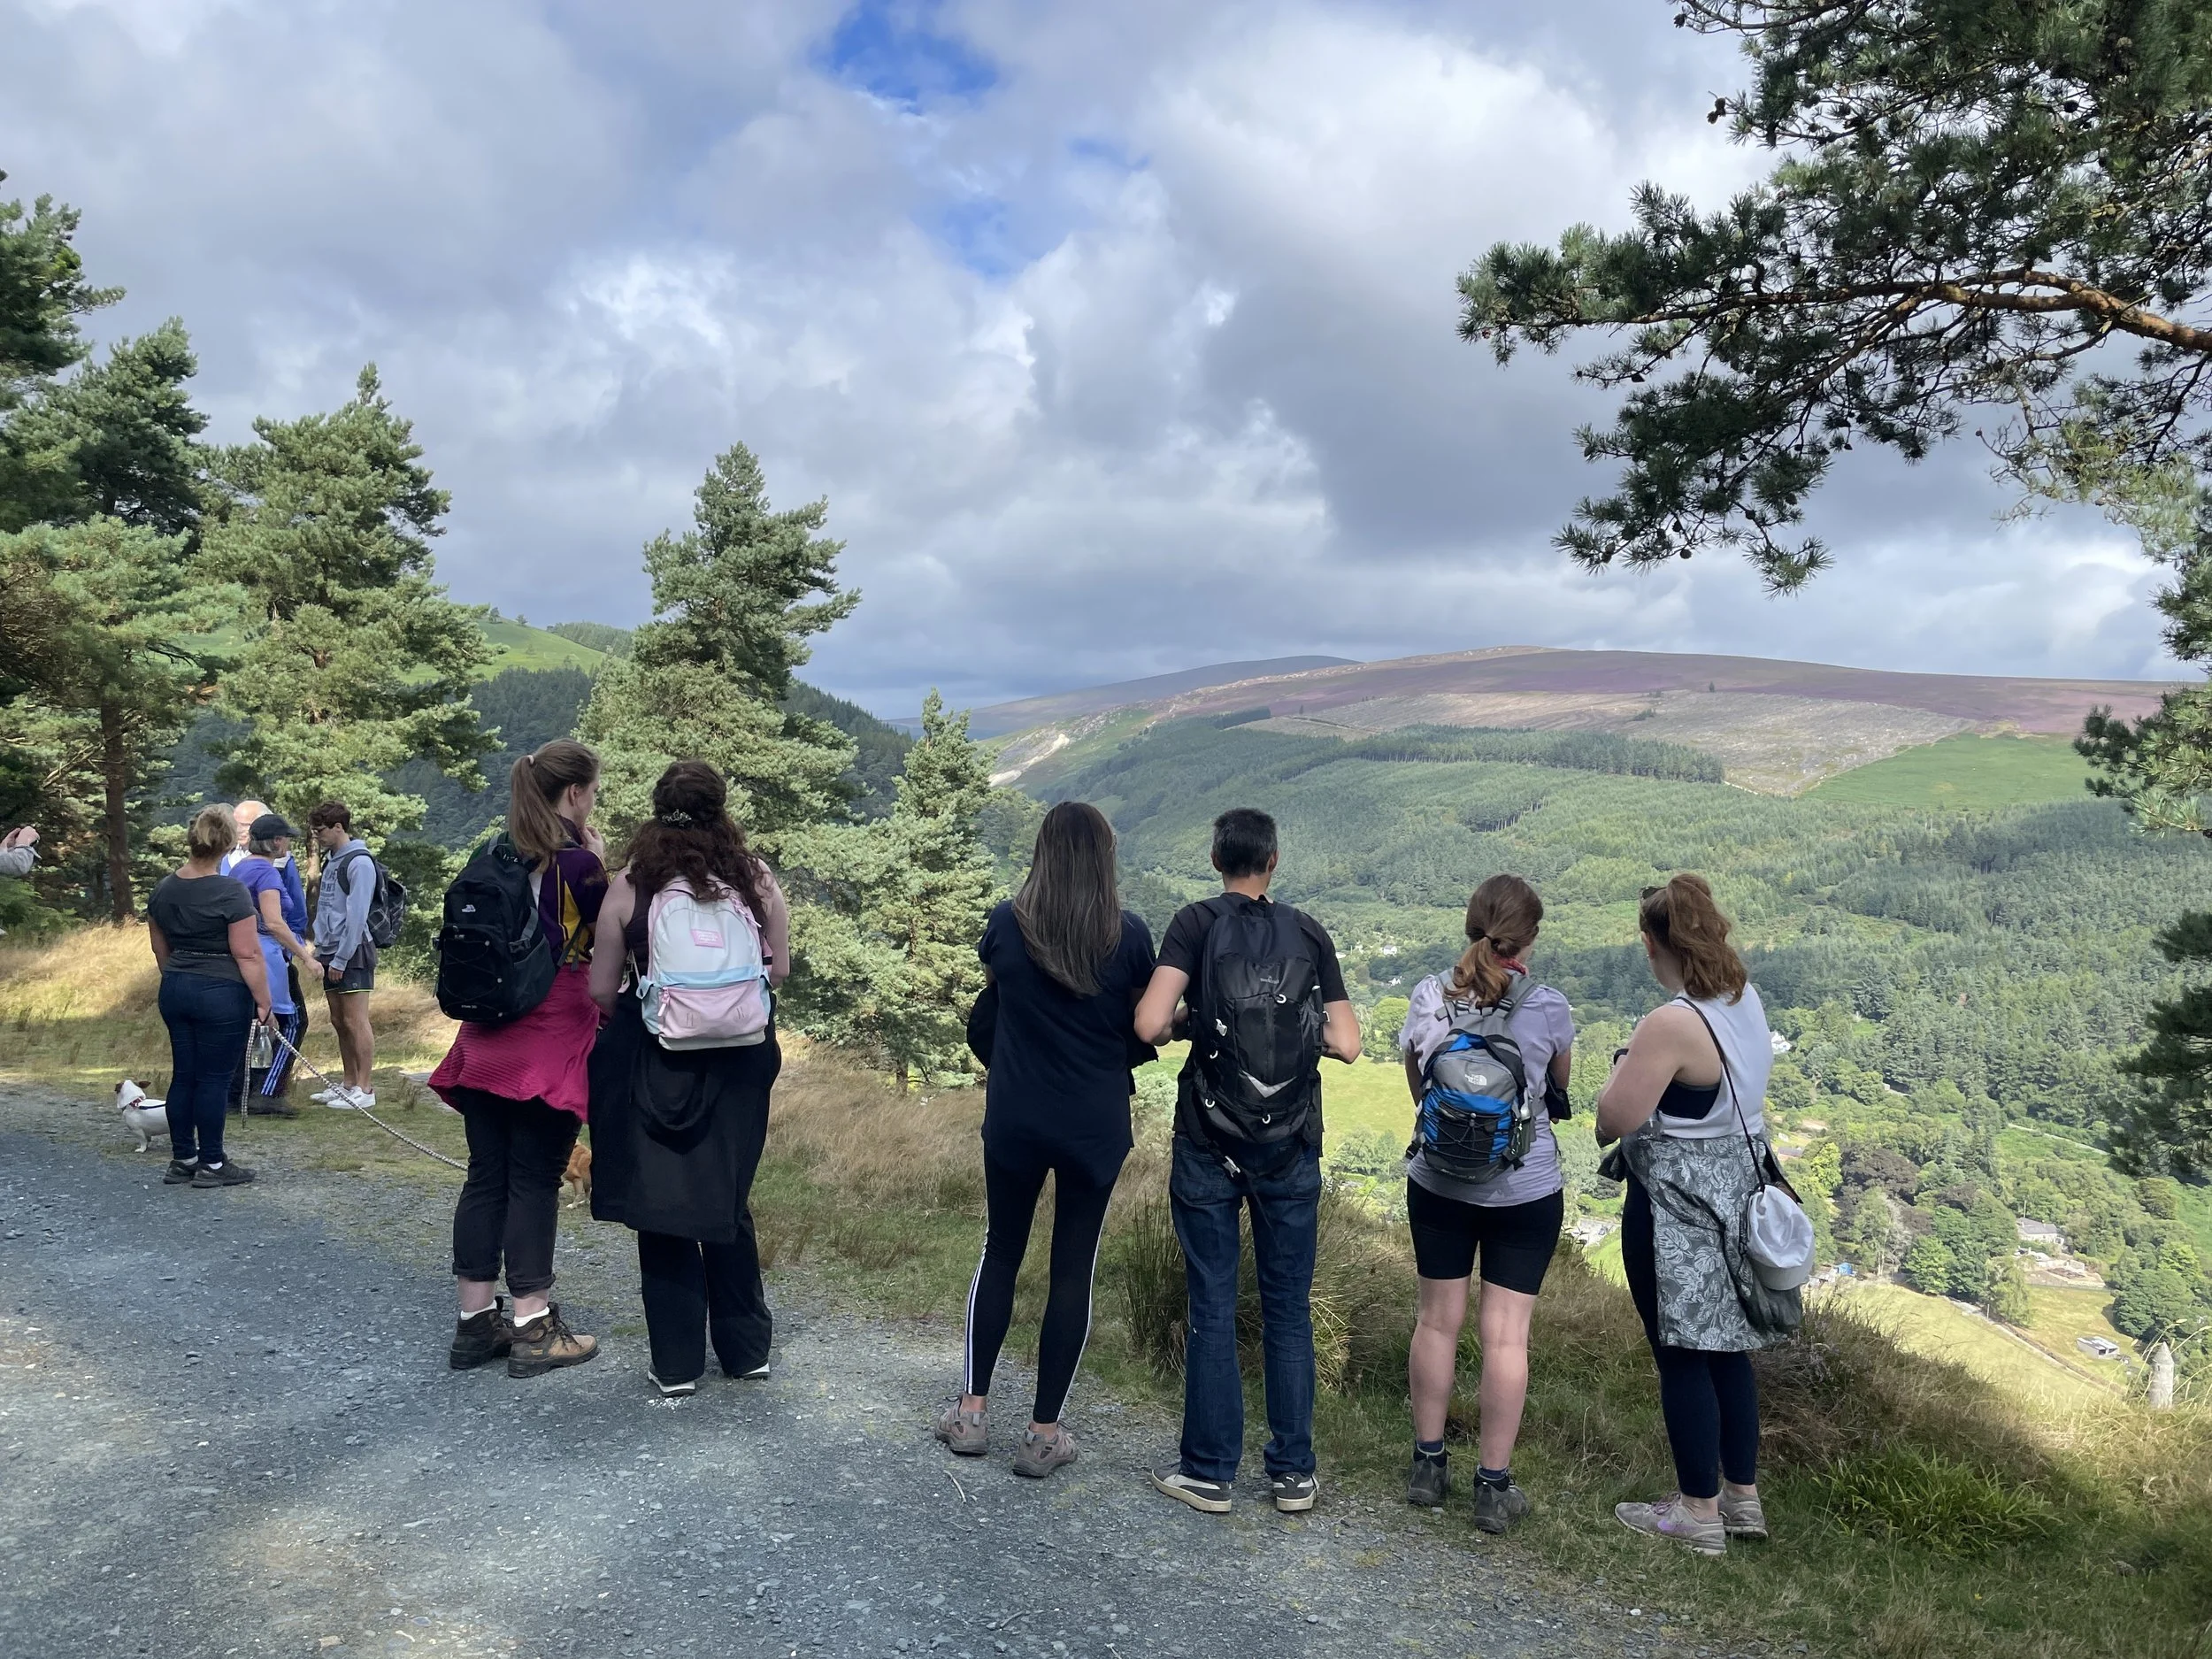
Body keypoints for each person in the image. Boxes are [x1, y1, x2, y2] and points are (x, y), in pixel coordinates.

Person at [1133, 807, 1360, 1514]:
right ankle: (1293, 1473)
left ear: (1215, 858)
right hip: (1291, 1141)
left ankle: (1208, 1470)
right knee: (1288, 1308)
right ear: (1274, 860)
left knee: (1213, 1303)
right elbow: (1348, 1042)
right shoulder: (1309, 932)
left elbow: (1148, 1023)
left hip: (1209, 1139)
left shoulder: (1194, 923)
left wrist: (1193, 1018)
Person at [933, 802, 1156, 1475]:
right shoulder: (1131, 935)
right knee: (1072, 1266)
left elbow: (995, 999)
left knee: (1001, 1250)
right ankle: (1043, 1433)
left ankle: (971, 1414)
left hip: (1016, 1117)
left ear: (1043, 853)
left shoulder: (1007, 923)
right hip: (1093, 1124)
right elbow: (1145, 1024)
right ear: (1105, 860)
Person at [588, 761, 792, 1397]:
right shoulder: (754, 878)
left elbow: (600, 988)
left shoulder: (632, 886)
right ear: (720, 809)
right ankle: (745, 1350)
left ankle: (676, 1362)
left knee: (663, 1204)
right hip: (739, 1061)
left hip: (658, 1062)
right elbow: (777, 969)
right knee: (727, 1199)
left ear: (657, 810)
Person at [1595, 873, 1778, 1556]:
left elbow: (1613, 1118)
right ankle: (1741, 1497)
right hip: (1737, 1194)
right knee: (1729, 1347)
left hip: (1675, 1206)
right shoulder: (1742, 998)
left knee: (1679, 1353)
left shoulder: (1670, 1022)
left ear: (1651, 944)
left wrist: (1619, 1067)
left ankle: (1696, 1511)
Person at [1394, 874, 1572, 1532]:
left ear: (1469, 924)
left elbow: (1417, 1082)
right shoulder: (1548, 1005)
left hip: (1439, 1181)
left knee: (1436, 1320)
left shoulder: (1427, 995)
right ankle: (1493, 1487)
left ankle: (1426, 1465)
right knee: (1506, 1335)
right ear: (1529, 938)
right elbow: (1557, 1086)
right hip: (1525, 1188)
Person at [429, 741, 607, 1379]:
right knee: (534, 1178)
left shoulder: (492, 852)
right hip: (547, 1039)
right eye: (593, 790)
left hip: (483, 1040)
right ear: (576, 793)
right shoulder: (579, 864)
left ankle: (476, 1324)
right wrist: (601, 862)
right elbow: (609, 941)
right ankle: (534, 1325)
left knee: (486, 1176)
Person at [145, 804, 274, 1188]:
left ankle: (183, 1157)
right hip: (221, 991)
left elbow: (159, 949)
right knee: (214, 1079)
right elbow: (248, 953)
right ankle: (213, 1163)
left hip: (176, 986)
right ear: (228, 843)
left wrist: (177, 976)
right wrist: (264, 1000)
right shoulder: (231, 892)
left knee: (184, 1074)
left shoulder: (163, 889)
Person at [226, 813, 319, 1115]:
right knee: (290, 1021)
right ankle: (266, 1093)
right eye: (287, 838)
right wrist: (307, 958)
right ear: (277, 841)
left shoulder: (240, 869)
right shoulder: (267, 874)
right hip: (266, 955)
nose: (289, 843)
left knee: (251, 1022)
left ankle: (236, 1091)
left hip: (240, 952)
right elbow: (275, 923)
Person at [308, 802, 379, 1109]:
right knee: (338, 1019)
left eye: (321, 830)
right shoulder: (332, 859)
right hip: (328, 948)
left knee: (355, 1019)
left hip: (352, 951)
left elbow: (357, 915)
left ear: (339, 827)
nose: (318, 836)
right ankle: (348, 1083)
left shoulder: (359, 862)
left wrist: (341, 958)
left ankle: (365, 1089)